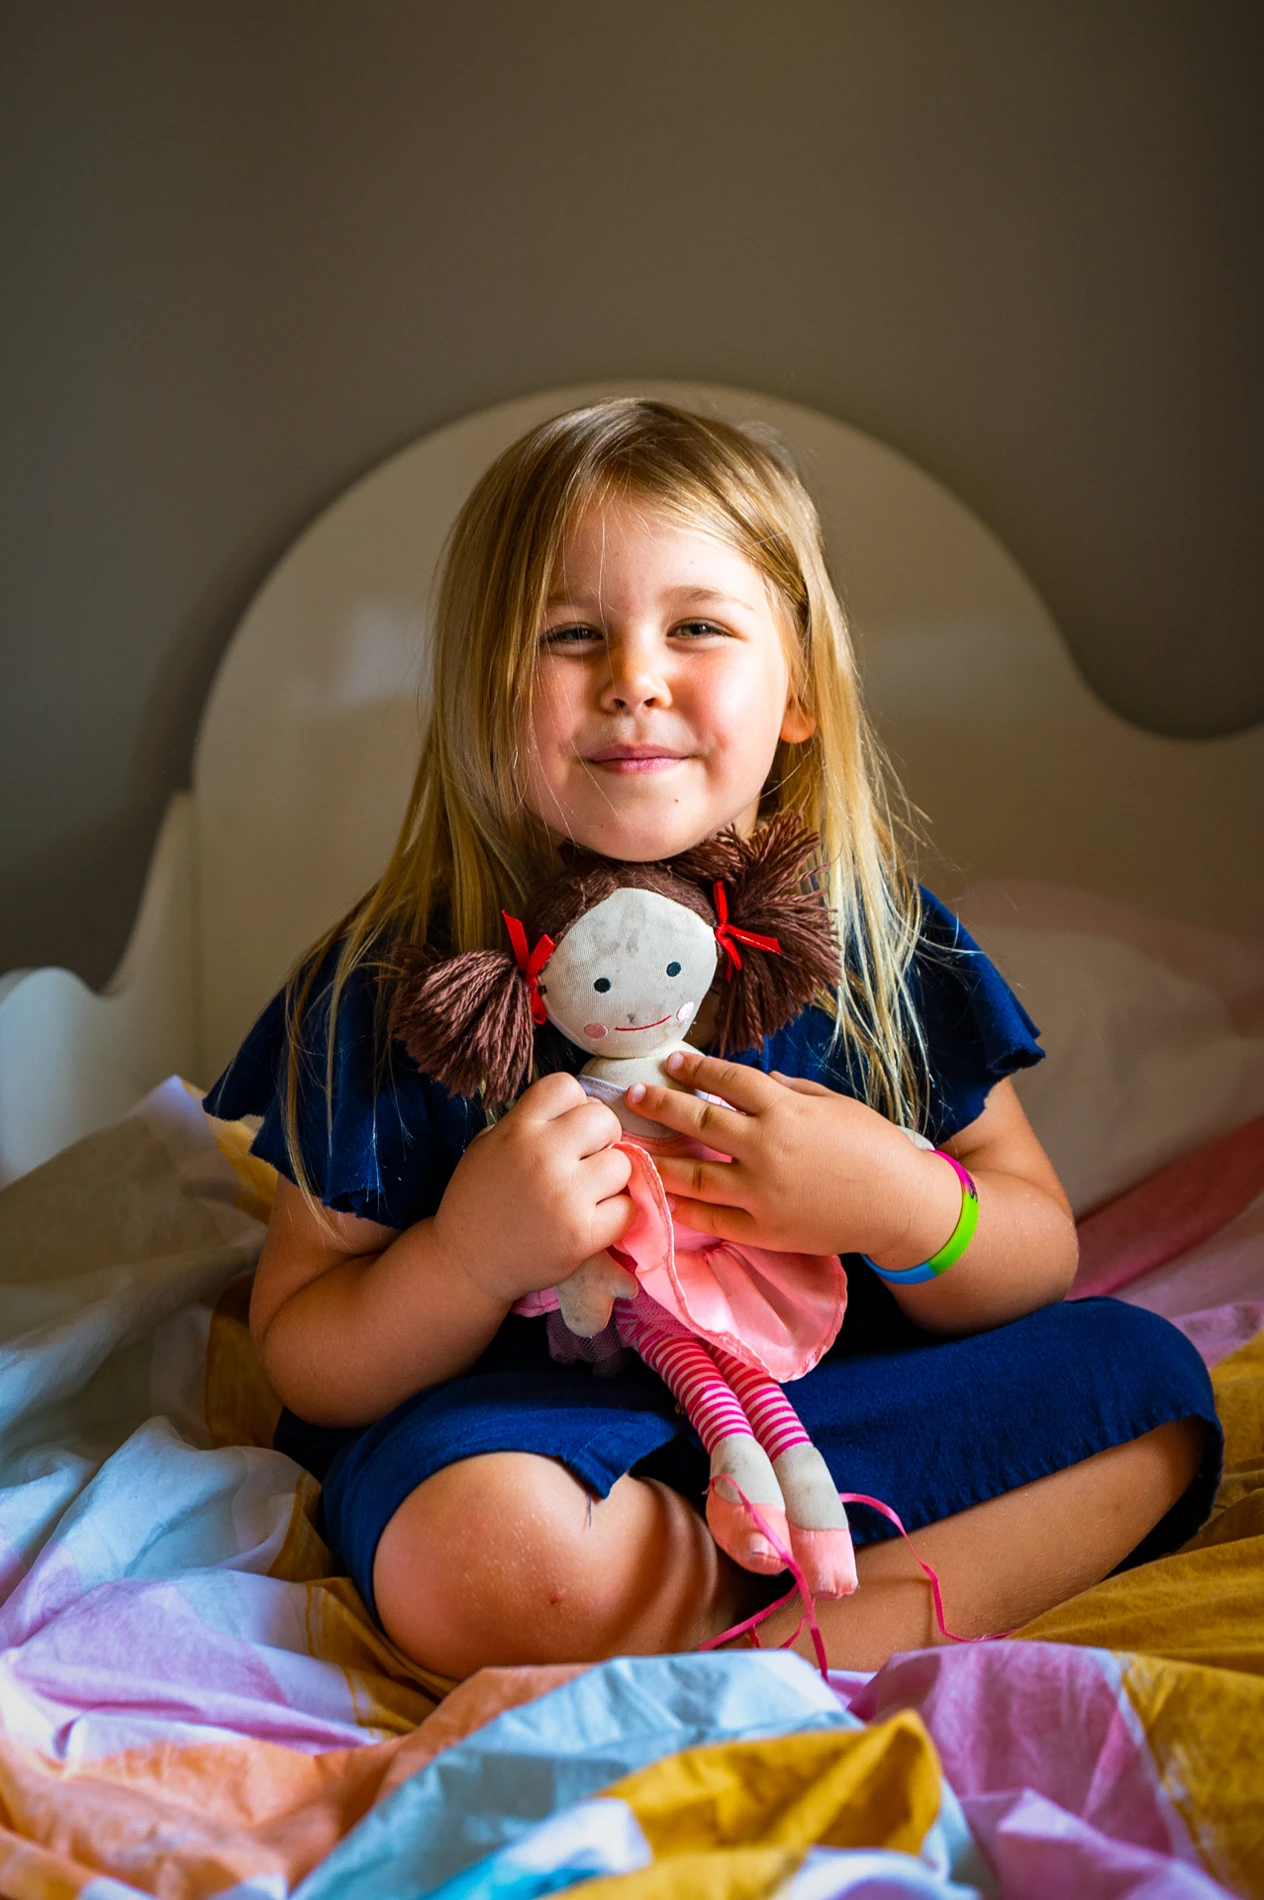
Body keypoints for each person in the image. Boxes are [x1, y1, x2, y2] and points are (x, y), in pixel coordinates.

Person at [205, 399, 1219, 1682]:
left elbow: (1035, 1247)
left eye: (696, 627)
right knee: (475, 1555)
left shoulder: (880, 944)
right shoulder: (388, 981)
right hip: (533, 1439)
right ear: (481, 693)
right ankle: (796, 1628)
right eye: (571, 634)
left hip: (841, 1412)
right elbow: (300, 1338)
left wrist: (906, 1205)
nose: (635, 675)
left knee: (1151, 1386)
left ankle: (806, 1635)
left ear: (795, 687)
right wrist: (465, 1262)